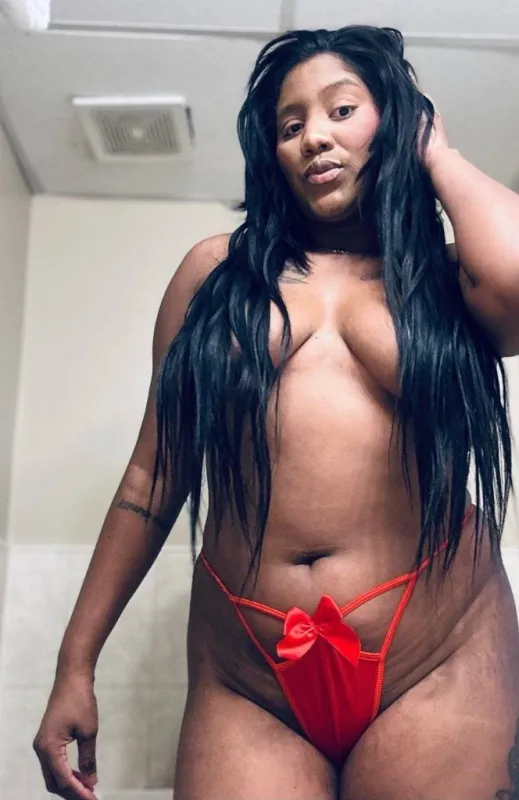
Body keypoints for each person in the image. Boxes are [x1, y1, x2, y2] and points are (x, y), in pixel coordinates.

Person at [34, 25, 519, 800]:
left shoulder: (446, 279)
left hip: (436, 655)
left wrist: (437, 151)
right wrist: (74, 665)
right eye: (289, 126)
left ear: (394, 119)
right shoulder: (215, 275)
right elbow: (152, 477)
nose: (313, 137)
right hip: (247, 678)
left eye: (342, 110)